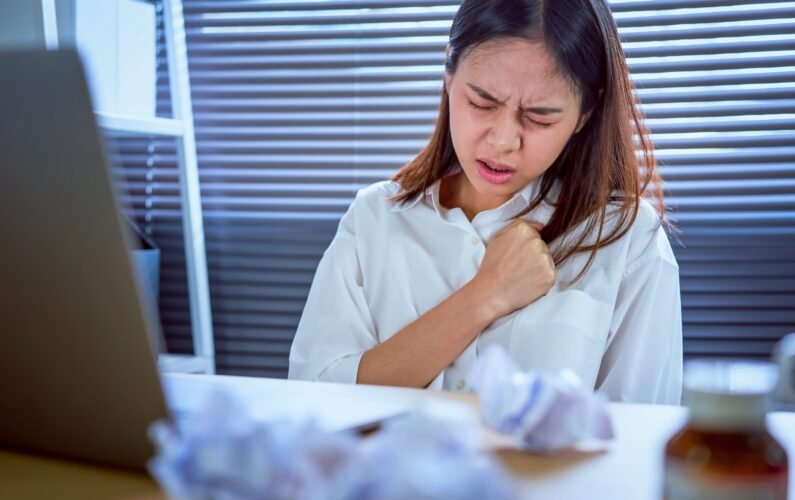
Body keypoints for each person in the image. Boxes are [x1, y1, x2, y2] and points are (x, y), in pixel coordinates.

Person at [288, 0, 682, 404]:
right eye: (482, 102)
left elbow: (641, 442)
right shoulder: (374, 219)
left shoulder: (630, 243)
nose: (502, 141)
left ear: (584, 114)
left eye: (540, 117)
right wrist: (485, 295)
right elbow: (314, 398)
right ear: (448, 72)